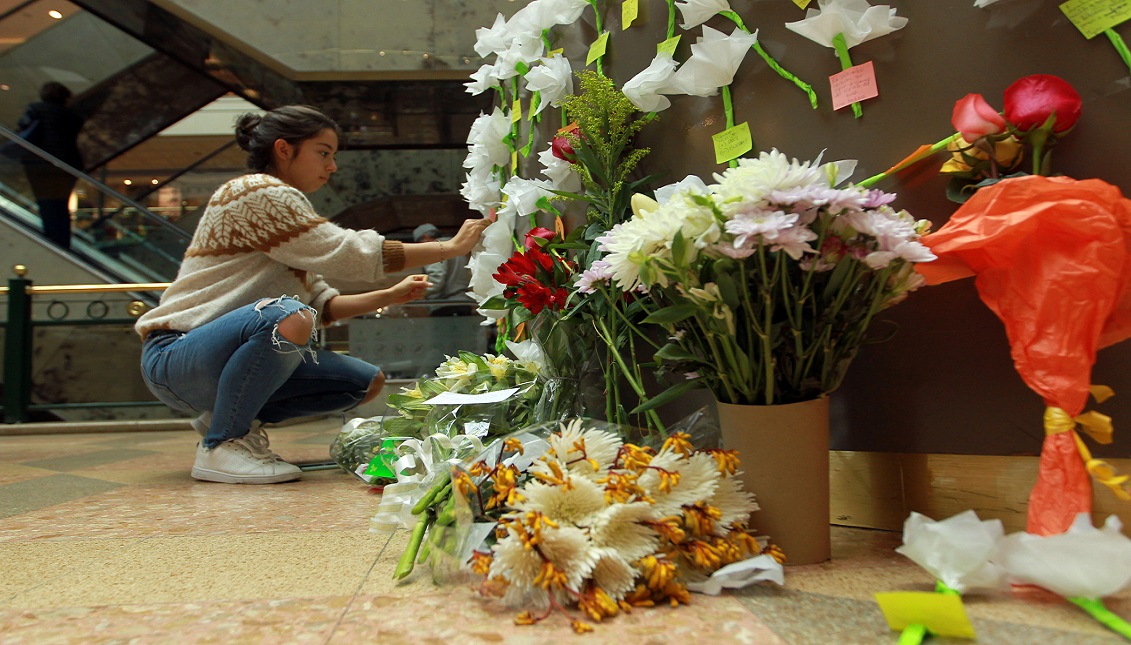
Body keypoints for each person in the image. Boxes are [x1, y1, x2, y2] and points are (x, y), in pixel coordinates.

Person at [134, 105, 490, 484]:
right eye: (323, 152)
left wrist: (390, 295)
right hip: (176, 355)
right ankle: (222, 444)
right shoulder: (253, 191)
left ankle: (224, 416)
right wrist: (447, 248)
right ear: (284, 150)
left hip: (211, 361)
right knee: (288, 314)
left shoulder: (285, 215)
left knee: (364, 381)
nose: (332, 166)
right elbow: (344, 253)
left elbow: (324, 306)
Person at [17, 82, 84, 249]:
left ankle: (52, 239)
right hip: (67, 163)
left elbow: (23, 125)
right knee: (61, 204)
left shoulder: (36, 109)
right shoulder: (72, 116)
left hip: (41, 164)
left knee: (47, 204)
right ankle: (62, 240)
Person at [413, 223, 473, 315]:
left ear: (425, 237)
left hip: (443, 305)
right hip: (463, 302)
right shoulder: (455, 246)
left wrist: (415, 293)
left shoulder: (434, 248)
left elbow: (436, 279)